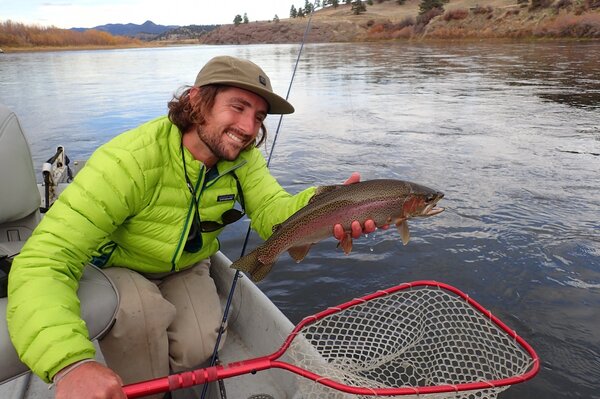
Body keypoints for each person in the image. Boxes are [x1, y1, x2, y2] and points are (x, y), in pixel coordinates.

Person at [6, 55, 377, 399]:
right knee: (143, 320)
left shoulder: (244, 160)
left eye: (260, 116)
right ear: (197, 101)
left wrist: (328, 206)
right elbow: (43, 260)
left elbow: (272, 213)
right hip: (121, 265)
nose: (249, 128)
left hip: (188, 264)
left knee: (201, 344)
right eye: (238, 107)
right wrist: (69, 364)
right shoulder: (128, 162)